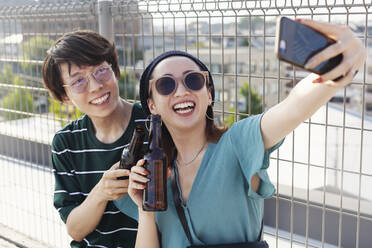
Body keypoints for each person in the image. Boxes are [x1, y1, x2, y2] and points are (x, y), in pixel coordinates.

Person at [114, 19, 366, 248]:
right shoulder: (155, 172)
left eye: (193, 80)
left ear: (209, 94)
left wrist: (341, 68)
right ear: (152, 105)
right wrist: (145, 209)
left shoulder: (236, 143)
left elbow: (292, 107)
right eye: (166, 84)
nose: (181, 92)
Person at [42, 30, 147, 248]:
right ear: (64, 96)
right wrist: (101, 192)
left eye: (101, 70)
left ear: (115, 71)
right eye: (78, 81)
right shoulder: (65, 143)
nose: (96, 85)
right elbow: (76, 230)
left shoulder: (152, 122)